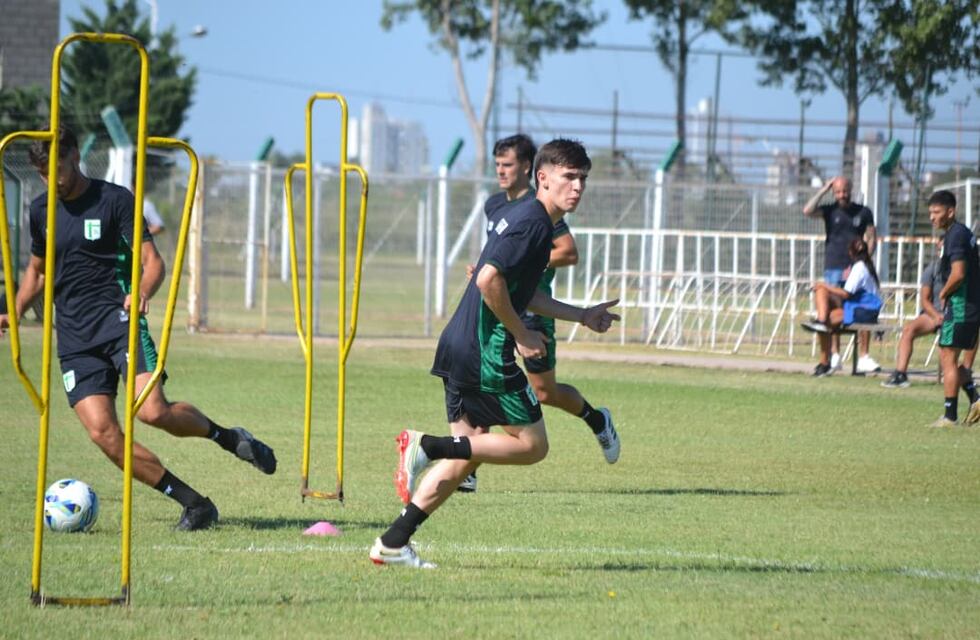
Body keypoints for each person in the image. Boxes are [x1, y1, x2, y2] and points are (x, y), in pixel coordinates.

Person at [0, 125, 277, 531]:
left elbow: (154, 262)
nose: (51, 180)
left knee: (153, 412)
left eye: (56, 168)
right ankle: (195, 505)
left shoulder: (114, 200)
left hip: (120, 324)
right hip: (75, 338)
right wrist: (14, 308)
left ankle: (228, 437)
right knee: (103, 433)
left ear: (73, 155)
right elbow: (37, 272)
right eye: (43, 174)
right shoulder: (41, 209)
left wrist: (143, 291)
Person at [369, 139, 619, 568]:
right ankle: (426, 445)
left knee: (468, 454)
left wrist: (581, 314)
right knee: (532, 446)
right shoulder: (535, 225)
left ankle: (393, 542)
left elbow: (521, 291)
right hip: (484, 353)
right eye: (568, 177)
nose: (577, 187)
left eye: (582, 179)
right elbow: (488, 281)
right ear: (542, 177)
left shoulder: (529, 219)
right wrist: (521, 333)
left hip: (458, 345)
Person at [458, 135, 619, 494]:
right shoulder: (495, 206)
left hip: (531, 307)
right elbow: (496, 261)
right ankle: (464, 465)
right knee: (486, 377)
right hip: (504, 301)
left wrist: (515, 265)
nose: (501, 171)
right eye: (497, 165)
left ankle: (596, 419)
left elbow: (568, 252)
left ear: (530, 170)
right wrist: (494, 267)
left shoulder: (542, 209)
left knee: (543, 392)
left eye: (509, 165)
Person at [803, 176, 880, 373]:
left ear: (850, 189)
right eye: (837, 192)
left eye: (844, 191)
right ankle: (834, 355)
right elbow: (808, 210)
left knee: (859, 306)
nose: (841, 195)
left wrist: (862, 261)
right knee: (829, 308)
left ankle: (864, 356)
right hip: (833, 266)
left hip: (855, 269)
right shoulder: (830, 210)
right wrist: (823, 189)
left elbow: (871, 238)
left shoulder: (863, 212)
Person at [925, 190, 980, 427]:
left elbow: (958, 274)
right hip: (970, 305)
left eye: (936, 212)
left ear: (950, 211)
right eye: (930, 213)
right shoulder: (963, 233)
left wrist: (943, 292)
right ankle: (976, 399)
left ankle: (949, 416)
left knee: (947, 356)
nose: (932, 217)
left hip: (961, 305)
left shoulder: (955, 236)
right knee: (951, 358)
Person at [802, 237, 883, 376]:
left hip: (863, 311)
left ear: (851, 253)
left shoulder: (859, 267)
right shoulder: (866, 266)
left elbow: (846, 294)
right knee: (822, 293)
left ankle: (824, 362)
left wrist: (824, 285)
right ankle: (821, 322)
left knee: (825, 312)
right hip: (862, 308)